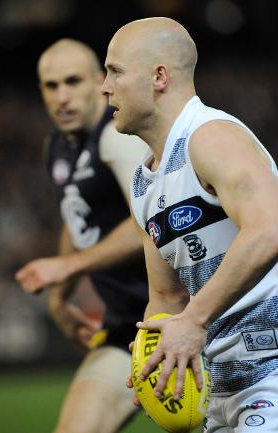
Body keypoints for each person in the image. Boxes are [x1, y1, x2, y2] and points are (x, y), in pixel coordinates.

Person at [101, 17, 278, 432]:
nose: (104, 87)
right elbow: (166, 297)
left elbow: (270, 228)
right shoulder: (144, 183)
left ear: (159, 76)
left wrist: (193, 323)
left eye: (115, 71)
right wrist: (157, 355)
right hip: (218, 391)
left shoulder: (211, 136)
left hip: (271, 372)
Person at [15, 38, 150, 433]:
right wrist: (61, 297)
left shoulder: (118, 136)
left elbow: (148, 220)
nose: (62, 96)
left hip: (189, 317)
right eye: (50, 86)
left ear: (99, 80)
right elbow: (76, 221)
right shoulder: (56, 146)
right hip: (129, 327)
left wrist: (69, 266)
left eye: (72, 81)